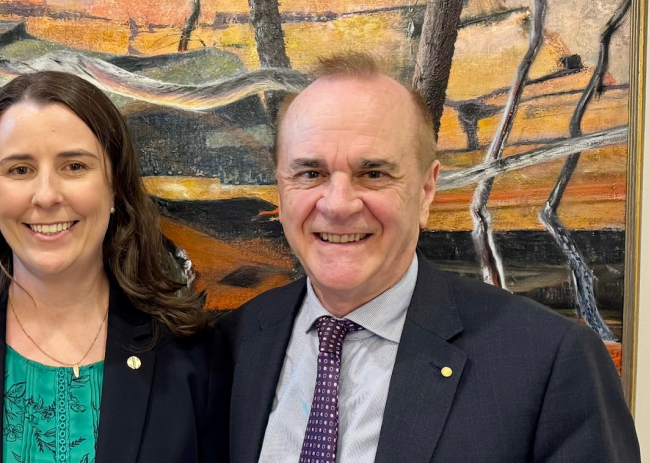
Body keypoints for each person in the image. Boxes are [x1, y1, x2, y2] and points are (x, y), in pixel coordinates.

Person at [220, 52, 638, 462]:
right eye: (310, 173)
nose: (338, 205)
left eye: (373, 174)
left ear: (425, 191)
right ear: (280, 190)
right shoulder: (231, 344)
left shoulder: (550, 360)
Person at [0, 70, 230, 462]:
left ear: (115, 186)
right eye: (20, 169)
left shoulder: (193, 356)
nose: (46, 196)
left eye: (74, 166)